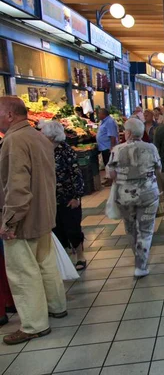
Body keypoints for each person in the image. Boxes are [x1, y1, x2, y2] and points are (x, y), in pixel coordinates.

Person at [0, 96, 67, 345]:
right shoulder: (38, 137)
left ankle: (33, 325)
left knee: (22, 271)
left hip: (24, 218)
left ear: (9, 114)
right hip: (44, 213)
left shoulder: (14, 140)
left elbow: (17, 185)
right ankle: (56, 305)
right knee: (46, 263)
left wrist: (9, 221)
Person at [107, 118, 161, 277]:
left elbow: (111, 174)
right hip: (148, 194)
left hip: (125, 195)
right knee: (145, 229)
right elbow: (158, 169)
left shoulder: (117, 150)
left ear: (128, 132)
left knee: (131, 229)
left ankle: (137, 257)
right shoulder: (151, 148)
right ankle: (141, 265)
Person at [40, 121, 86, 270]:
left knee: (72, 228)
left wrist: (76, 197)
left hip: (67, 197)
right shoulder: (42, 150)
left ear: (51, 136)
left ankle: (80, 256)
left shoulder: (66, 151)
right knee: (56, 228)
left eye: (43, 134)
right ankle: (64, 259)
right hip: (50, 197)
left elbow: (76, 175)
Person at [97, 108, 119, 186]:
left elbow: (112, 135)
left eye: (99, 113)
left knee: (109, 164)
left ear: (103, 114)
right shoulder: (104, 121)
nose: (98, 115)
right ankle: (109, 177)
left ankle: (111, 179)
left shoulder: (109, 122)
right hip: (103, 146)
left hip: (107, 147)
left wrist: (112, 147)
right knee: (107, 163)